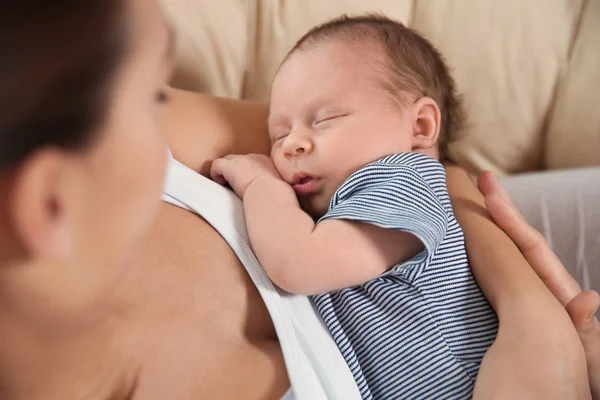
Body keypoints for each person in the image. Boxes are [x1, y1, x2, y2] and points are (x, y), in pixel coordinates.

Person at [0, 1, 597, 399]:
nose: (286, 146)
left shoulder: (375, 166)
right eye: (153, 94)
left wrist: (533, 315)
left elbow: (439, 168)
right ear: (49, 201)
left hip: (508, 288)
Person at [211, 16, 496, 399]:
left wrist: (261, 183)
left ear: (420, 126)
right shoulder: (342, 207)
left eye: (325, 119)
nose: (291, 144)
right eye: (278, 134)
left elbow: (300, 263)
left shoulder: (406, 181)